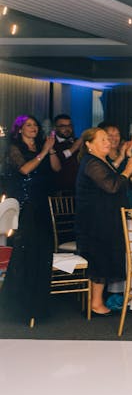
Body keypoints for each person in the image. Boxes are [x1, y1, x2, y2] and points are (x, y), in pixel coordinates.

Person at [75, 128, 132, 315]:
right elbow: (111, 186)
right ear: (89, 144)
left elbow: (117, 184)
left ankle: (97, 301)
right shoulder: (91, 163)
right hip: (94, 222)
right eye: (102, 140)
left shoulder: (103, 161)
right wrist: (128, 170)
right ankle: (96, 303)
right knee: (99, 258)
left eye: (108, 139)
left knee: (103, 257)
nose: (108, 142)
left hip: (103, 219)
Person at [0, 115, 61, 325]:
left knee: (43, 253)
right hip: (25, 206)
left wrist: (50, 149)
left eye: (35, 125)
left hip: (42, 203)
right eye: (29, 125)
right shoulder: (15, 149)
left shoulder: (42, 147)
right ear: (19, 129)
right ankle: (19, 307)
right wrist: (44, 151)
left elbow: (56, 168)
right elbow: (24, 169)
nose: (33, 127)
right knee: (26, 253)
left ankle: (39, 305)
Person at [52, 113, 82, 193]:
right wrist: (73, 149)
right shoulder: (51, 143)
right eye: (63, 126)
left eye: (69, 126)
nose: (67, 128)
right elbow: (57, 161)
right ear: (55, 128)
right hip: (59, 191)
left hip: (78, 189)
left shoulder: (77, 142)